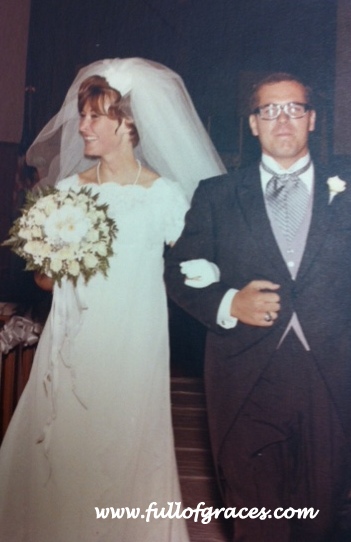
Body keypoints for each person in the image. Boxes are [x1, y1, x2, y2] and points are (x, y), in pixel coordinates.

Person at [165, 72, 351, 541]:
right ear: (253, 124)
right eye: (269, 111)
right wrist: (229, 301)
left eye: (294, 108)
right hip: (247, 378)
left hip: (331, 379)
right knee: (256, 520)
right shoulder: (217, 195)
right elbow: (178, 272)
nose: (283, 120)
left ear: (312, 119)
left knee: (327, 517)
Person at [0, 58, 225, 541]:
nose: (82, 126)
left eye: (94, 116)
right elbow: (44, 282)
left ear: (127, 124)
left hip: (134, 337)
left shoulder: (163, 195)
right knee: (69, 438)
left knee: (120, 442)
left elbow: (193, 268)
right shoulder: (68, 189)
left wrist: (212, 275)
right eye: (82, 115)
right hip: (73, 334)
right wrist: (50, 261)